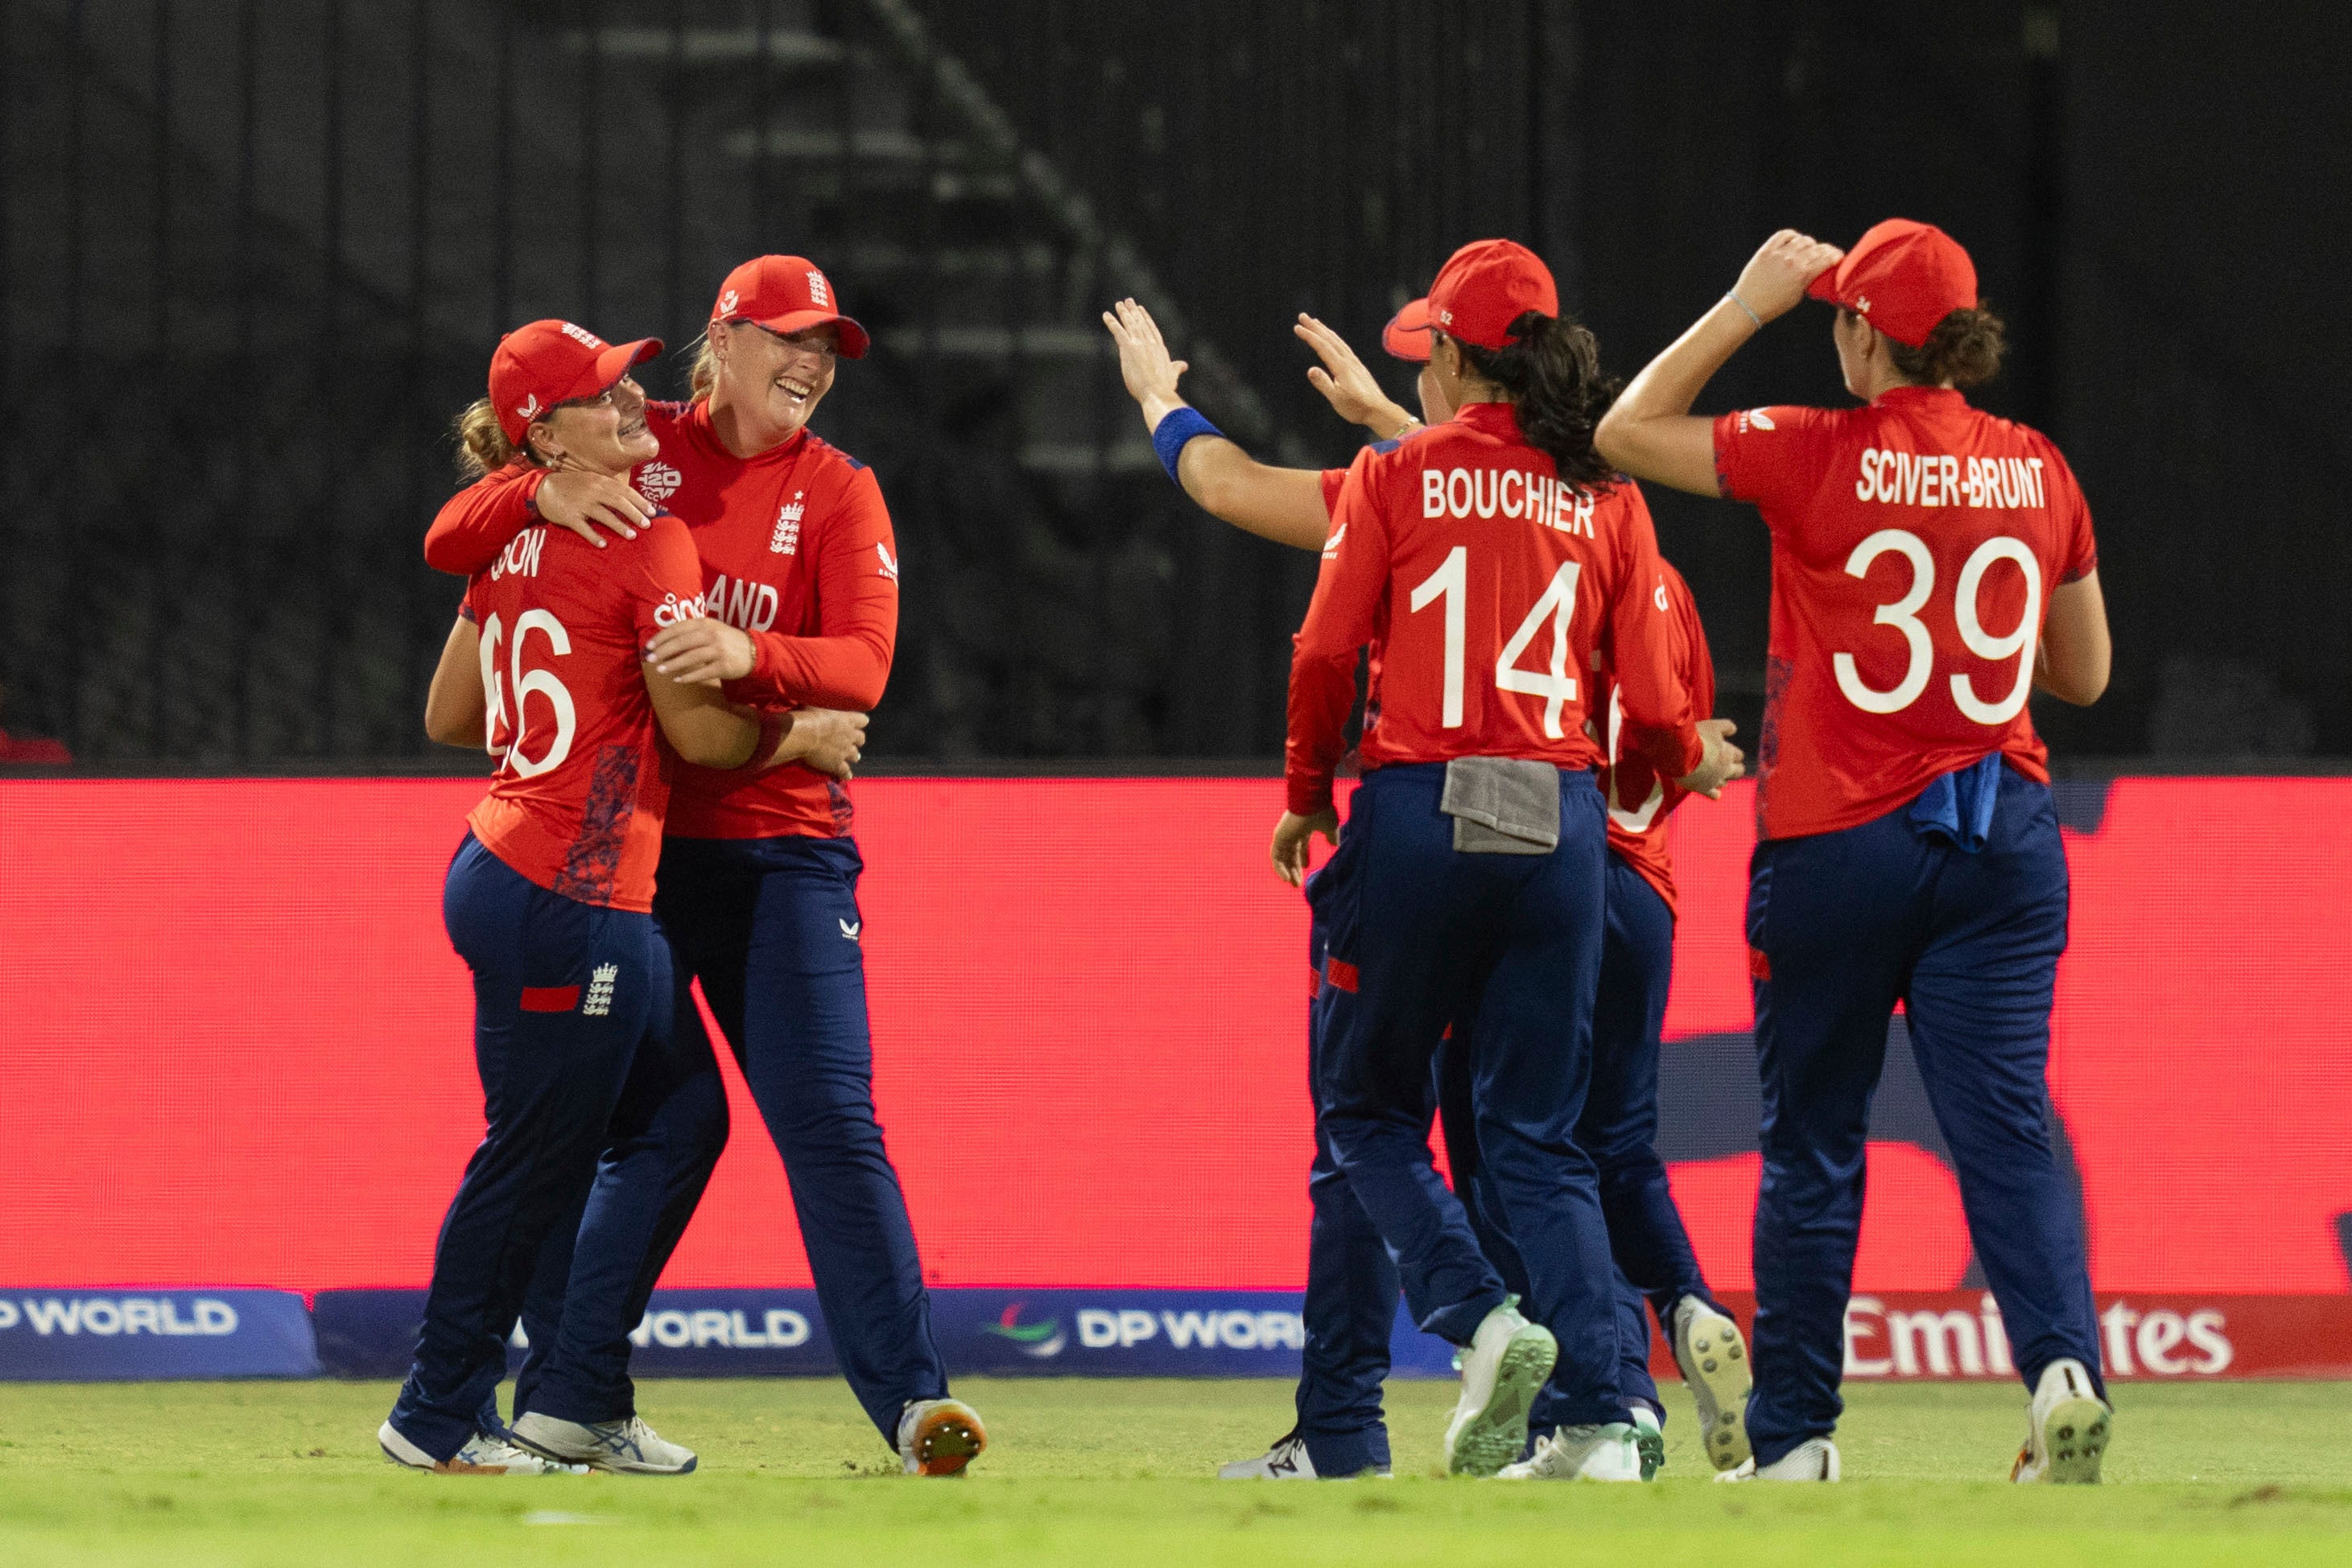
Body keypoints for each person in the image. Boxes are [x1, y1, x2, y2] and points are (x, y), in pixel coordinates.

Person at [1104, 295, 1751, 1479]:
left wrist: (1307, 789)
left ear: (1453, 356)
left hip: (1421, 812)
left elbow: (1313, 636)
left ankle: (1473, 1325)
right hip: (1568, 833)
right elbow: (1656, 711)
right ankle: (1609, 1416)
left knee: (1363, 1114)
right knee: (1547, 1143)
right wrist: (1678, 761)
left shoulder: (1393, 478)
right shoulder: (1606, 495)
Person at [421, 258, 985, 1477]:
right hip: (640, 861)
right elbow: (453, 531)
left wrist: (748, 648)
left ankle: (911, 1407)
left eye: (829, 348)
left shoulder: (838, 490)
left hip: (785, 858)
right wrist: (527, 501)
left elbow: (867, 670)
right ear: (719, 340)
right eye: (790, 338)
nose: (814, 364)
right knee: (642, 1134)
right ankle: (569, 1396)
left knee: (828, 1124)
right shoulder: (629, 449)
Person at [1595, 221, 2114, 1483]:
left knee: (1813, 1143)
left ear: (1861, 332)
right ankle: (2062, 1371)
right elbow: (2084, 677)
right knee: (2005, 1130)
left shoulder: (1811, 449)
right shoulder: (2036, 467)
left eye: (1836, 314)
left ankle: (1798, 1441)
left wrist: (1740, 305)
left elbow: (1620, 431)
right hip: (2001, 839)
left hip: (1838, 843)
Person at [385, 319, 841, 1475]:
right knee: (532, 1161)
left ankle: (575, 1395)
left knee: (674, 1120)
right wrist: (799, 730)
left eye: (630, 378)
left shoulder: (514, 529)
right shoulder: (649, 537)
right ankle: (440, 1416)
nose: (634, 399)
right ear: (546, 431)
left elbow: (451, 716)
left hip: (500, 864)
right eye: (603, 392)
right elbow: (696, 728)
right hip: (573, 892)